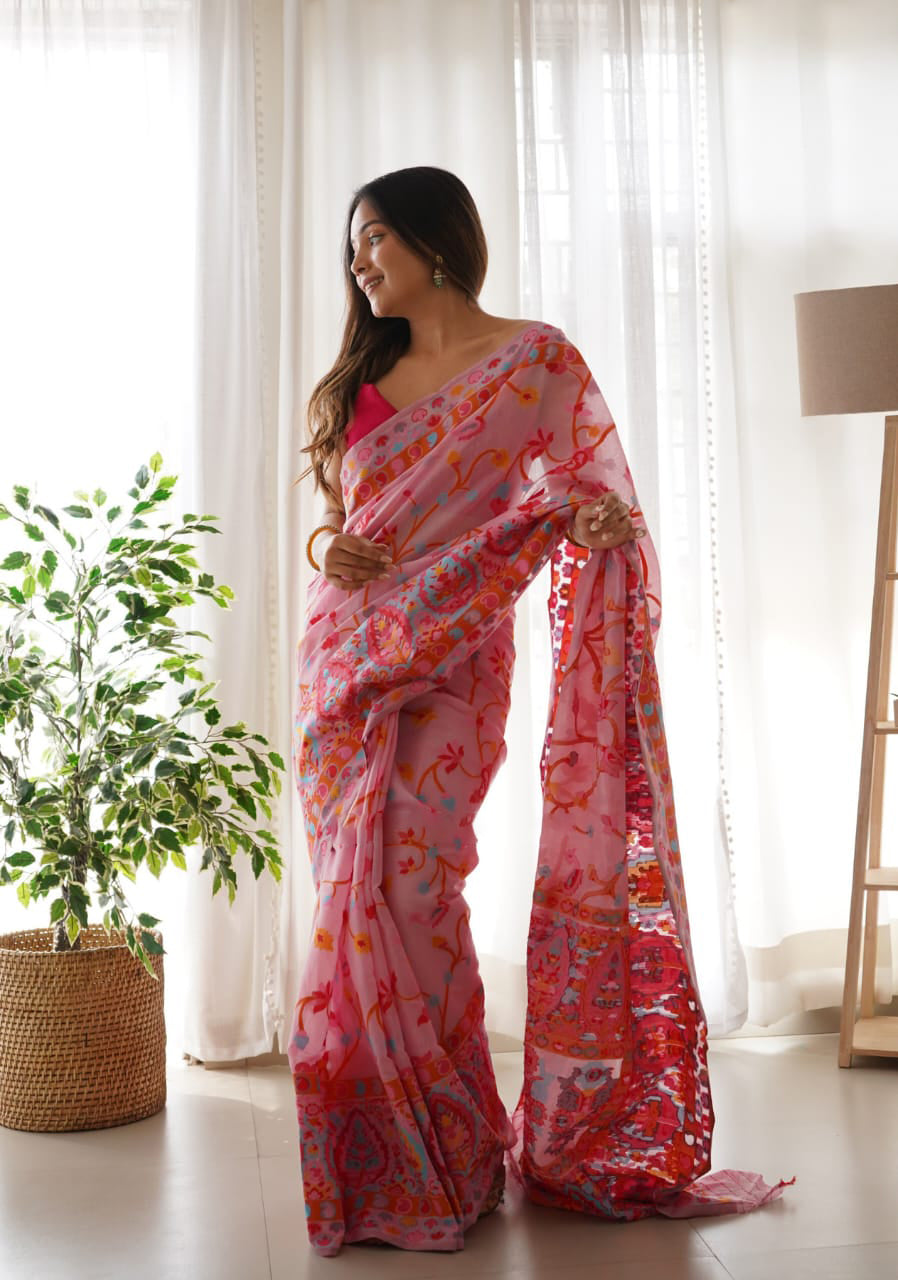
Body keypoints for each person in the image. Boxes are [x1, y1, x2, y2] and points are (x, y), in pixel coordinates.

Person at [289, 166, 789, 1257]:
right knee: (351, 891)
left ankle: (454, 1147)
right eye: (353, 245)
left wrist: (596, 526)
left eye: (376, 238)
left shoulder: (534, 361)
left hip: (457, 656)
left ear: (436, 241)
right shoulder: (360, 378)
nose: (359, 262)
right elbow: (336, 521)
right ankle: (385, 1161)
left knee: (415, 883)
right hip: (345, 660)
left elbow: (589, 487)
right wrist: (331, 547)